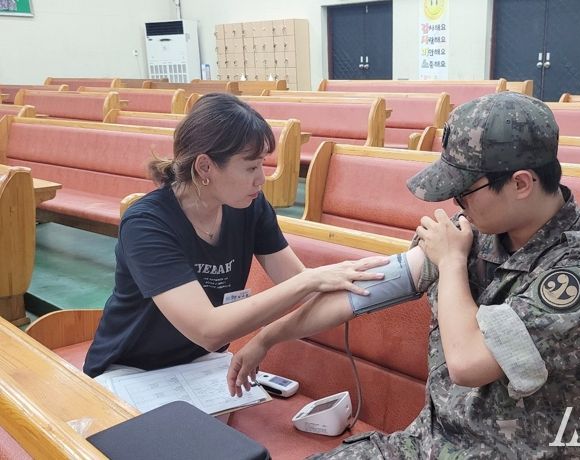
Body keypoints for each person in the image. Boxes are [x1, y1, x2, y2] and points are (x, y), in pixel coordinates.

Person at [227, 92, 580, 458]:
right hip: (429, 443)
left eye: (465, 191)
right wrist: (268, 337)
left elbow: (468, 363)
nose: (456, 203)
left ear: (521, 184)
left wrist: (451, 263)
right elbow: (360, 291)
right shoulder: (478, 231)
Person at [83, 93, 387, 380]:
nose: (261, 179)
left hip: (200, 365)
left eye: (263, 164)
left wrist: (387, 277)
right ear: (205, 167)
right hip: (129, 370)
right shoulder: (147, 224)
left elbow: (303, 289)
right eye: (251, 167)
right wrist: (309, 279)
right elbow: (208, 329)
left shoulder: (249, 206)